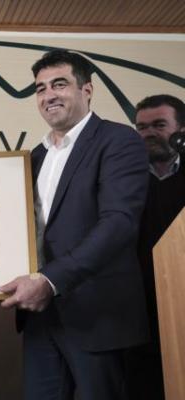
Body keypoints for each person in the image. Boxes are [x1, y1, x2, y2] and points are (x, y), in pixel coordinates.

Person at [0, 50, 149, 400]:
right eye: (40, 88)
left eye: (59, 84)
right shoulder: (34, 157)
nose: (48, 95)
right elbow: (10, 224)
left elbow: (119, 224)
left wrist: (50, 280)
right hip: (40, 315)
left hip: (97, 316)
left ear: (87, 90)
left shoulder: (119, 140)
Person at [126, 94, 185, 400]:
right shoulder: (121, 180)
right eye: (141, 127)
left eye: (159, 125)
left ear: (181, 130)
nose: (148, 133)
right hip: (136, 312)